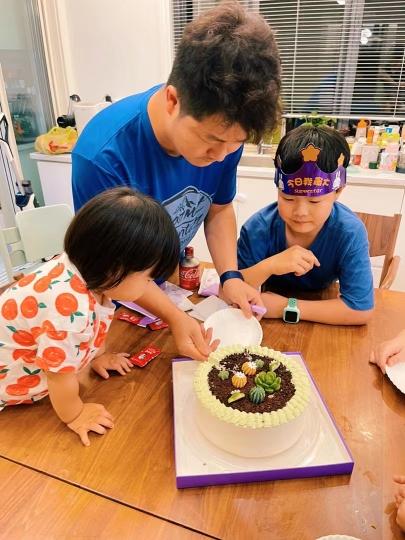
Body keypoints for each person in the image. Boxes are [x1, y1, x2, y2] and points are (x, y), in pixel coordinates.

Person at [71, 1, 281, 360]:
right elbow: (114, 268)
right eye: (212, 140)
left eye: (236, 143)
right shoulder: (103, 157)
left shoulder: (225, 141)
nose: (222, 155)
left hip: (162, 284)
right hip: (112, 302)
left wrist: (231, 276)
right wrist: (174, 316)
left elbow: (218, 209)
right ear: (172, 100)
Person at [0, 187, 216, 446]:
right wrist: (76, 414)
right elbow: (58, 376)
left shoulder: (88, 272)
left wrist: (94, 357)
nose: (149, 286)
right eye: (148, 278)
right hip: (12, 384)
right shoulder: (67, 315)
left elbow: (92, 325)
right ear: (114, 269)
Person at [238, 125, 374, 325]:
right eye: (288, 198)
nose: (300, 212)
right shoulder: (257, 229)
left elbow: (360, 310)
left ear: (338, 191)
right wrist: (270, 266)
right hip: (262, 319)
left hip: (315, 312)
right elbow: (229, 289)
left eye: (314, 201)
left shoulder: (349, 233)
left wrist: (287, 307)